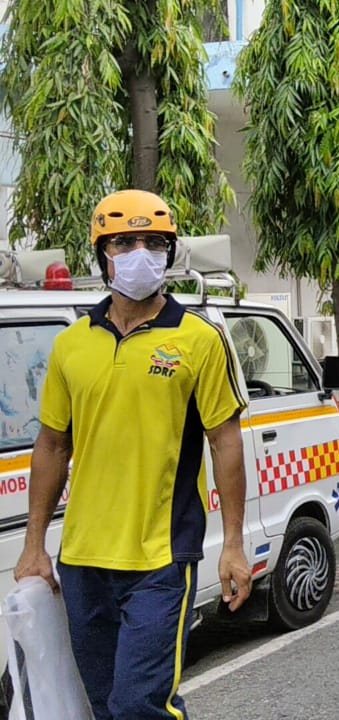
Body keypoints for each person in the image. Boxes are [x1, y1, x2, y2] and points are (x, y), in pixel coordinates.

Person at [15, 189, 251, 719]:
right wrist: (34, 545)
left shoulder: (198, 339)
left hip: (161, 558)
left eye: (153, 243)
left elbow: (225, 441)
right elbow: (52, 444)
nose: (139, 254)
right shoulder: (72, 344)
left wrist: (233, 544)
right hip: (82, 560)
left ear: (169, 253)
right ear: (102, 255)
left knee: (139, 705)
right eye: (123, 242)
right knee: (103, 706)